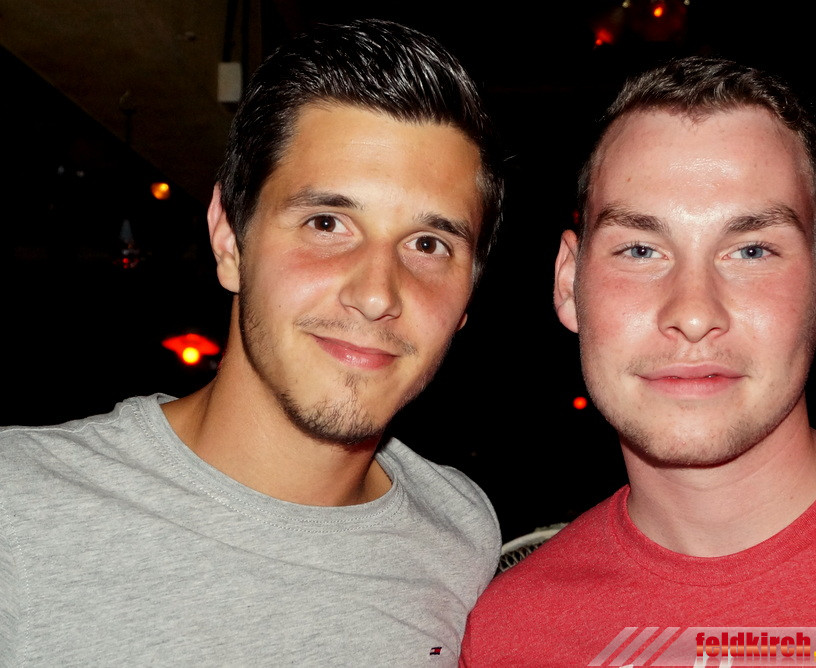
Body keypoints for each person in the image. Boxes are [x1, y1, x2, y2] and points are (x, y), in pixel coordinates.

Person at [460, 56, 816, 666]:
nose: (693, 313)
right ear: (568, 283)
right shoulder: (510, 636)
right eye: (640, 250)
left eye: (751, 251)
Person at [0, 19, 504, 665]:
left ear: (468, 296)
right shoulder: (19, 508)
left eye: (428, 244)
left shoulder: (461, 534)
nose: (378, 294)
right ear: (229, 240)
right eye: (327, 223)